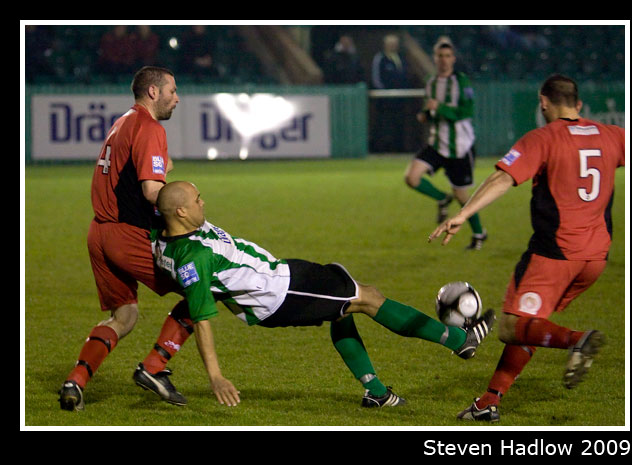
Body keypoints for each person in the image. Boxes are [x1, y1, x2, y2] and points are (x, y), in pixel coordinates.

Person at [146, 181, 496, 408]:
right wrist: (216, 377)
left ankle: (376, 392)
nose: (203, 202)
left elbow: (153, 206)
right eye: (197, 200)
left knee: (342, 310)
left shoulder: (167, 233)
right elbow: (203, 319)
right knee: (367, 298)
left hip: (283, 277)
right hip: (280, 293)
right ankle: (459, 340)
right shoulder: (193, 259)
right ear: (181, 211)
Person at [429, 74, 625, 422]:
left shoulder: (543, 138)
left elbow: (502, 177)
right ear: (579, 104)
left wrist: (464, 214)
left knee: (511, 326)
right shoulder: (612, 135)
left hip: (555, 254)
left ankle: (577, 340)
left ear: (543, 102)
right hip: (596, 258)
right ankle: (489, 401)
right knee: (531, 324)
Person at [58, 66, 191, 411]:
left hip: (98, 233)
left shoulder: (123, 122)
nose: (177, 98)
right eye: (172, 91)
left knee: (125, 316)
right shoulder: (150, 127)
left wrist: (162, 167)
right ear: (153, 92)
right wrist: (184, 211)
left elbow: (136, 172)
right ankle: (153, 368)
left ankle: (75, 382)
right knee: (199, 288)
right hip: (126, 235)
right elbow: (151, 191)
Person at [405, 36, 487, 250]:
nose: (444, 59)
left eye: (448, 56)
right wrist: (425, 115)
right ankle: (442, 198)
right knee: (411, 178)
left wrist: (439, 108)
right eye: (440, 55)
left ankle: (479, 233)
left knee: (462, 196)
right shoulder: (431, 82)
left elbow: (466, 112)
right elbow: (430, 109)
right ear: (435, 58)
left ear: (453, 58)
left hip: (460, 147)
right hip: (436, 143)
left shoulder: (461, 81)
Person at [370, 33, 410, 153]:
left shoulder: (401, 58)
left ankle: (398, 148)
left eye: (395, 44)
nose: (393, 46)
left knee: (399, 124)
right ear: (385, 45)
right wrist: (384, 93)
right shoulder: (380, 58)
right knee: (385, 125)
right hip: (385, 100)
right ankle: (383, 148)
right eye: (390, 44)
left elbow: (404, 76)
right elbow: (376, 79)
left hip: (399, 99)